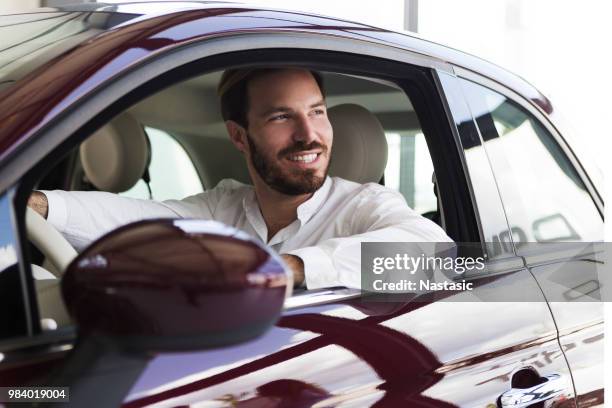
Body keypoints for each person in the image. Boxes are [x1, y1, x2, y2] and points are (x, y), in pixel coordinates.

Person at [28, 67, 452, 289]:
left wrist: (290, 268)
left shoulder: (365, 206)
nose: (309, 135)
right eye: (282, 116)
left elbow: (438, 252)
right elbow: (140, 218)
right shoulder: (223, 207)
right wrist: (36, 207)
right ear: (239, 136)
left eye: (317, 112)